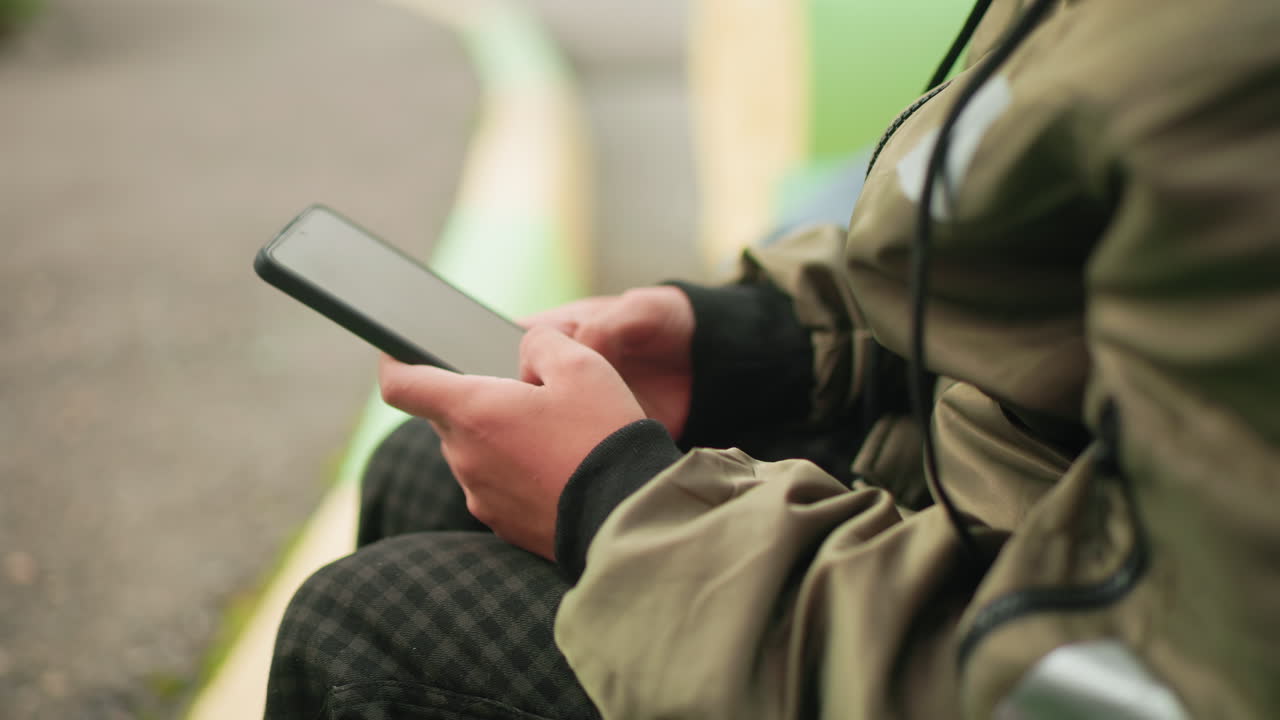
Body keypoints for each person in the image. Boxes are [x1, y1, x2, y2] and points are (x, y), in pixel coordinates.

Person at [265, 0, 1280, 717]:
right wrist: (749, 344)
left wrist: (618, 506)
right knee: (424, 466)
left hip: (1026, 634)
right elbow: (1037, 286)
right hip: (1010, 522)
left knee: (374, 634)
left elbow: (1148, 687)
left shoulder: (1229, 67)